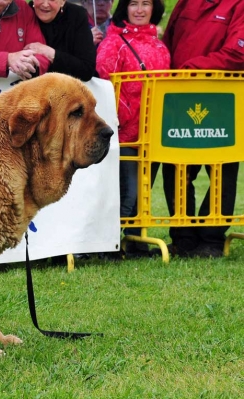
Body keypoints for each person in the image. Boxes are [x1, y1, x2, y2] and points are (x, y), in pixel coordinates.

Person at [160, 0, 244, 258]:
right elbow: (168, 43)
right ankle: (183, 237)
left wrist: (192, 68)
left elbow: (239, 52)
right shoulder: (186, 3)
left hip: (221, 100)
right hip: (179, 96)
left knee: (222, 169)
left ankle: (212, 237)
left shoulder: (238, 4)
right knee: (175, 167)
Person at [96, 0, 169, 258]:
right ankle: (108, 245)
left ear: (154, 9)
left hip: (153, 132)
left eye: (145, 4)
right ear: (124, 8)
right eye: (133, 4)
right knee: (127, 192)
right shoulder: (113, 43)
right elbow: (107, 85)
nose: (139, 10)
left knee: (143, 191)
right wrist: (125, 117)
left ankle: (136, 242)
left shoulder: (160, 46)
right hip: (125, 131)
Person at [26, 0, 96, 82]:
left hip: (70, 87)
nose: (45, 4)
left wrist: (50, 53)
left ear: (62, 1)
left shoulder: (76, 15)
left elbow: (87, 70)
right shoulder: (26, 12)